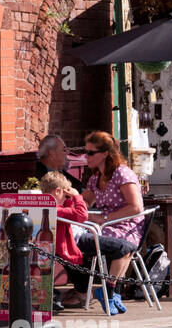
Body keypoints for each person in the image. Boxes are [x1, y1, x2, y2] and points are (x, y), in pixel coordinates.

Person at [61, 131, 146, 308]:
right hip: (104, 225)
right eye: (85, 152)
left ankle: (105, 291)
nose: (86, 156)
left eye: (91, 153)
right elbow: (86, 200)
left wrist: (104, 218)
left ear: (105, 154)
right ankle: (93, 290)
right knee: (68, 236)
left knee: (79, 240)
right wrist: (67, 199)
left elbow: (136, 207)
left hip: (127, 226)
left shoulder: (123, 174)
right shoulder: (95, 178)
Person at [38, 170, 88, 294]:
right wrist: (76, 196)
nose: (67, 199)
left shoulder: (44, 206)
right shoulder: (55, 210)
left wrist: (70, 199)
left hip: (51, 252)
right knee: (83, 282)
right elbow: (81, 215)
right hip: (63, 252)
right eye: (65, 196)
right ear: (57, 191)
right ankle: (81, 295)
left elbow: (69, 211)